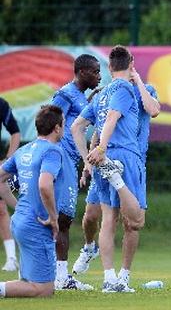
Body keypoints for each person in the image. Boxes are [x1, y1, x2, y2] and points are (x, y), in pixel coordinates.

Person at [71, 45, 146, 293]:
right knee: (135, 220)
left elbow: (76, 127)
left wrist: (88, 159)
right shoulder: (125, 88)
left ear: (110, 67)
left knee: (108, 221)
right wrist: (101, 147)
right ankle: (123, 278)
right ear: (131, 63)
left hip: (104, 160)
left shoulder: (101, 93)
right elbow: (114, 116)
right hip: (124, 154)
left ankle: (108, 278)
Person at [0, 105, 66, 298]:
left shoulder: (23, 150)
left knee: (29, 282)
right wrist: (54, 218)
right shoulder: (52, 151)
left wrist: (19, 206)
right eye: (63, 124)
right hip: (37, 225)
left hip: (20, 222)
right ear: (56, 128)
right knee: (44, 290)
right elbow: (45, 185)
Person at [50, 54, 100, 290]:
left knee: (62, 218)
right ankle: (59, 277)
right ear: (82, 72)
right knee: (62, 219)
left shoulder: (79, 97)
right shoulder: (65, 94)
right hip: (61, 161)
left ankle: (54, 274)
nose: (99, 76)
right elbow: (50, 122)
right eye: (95, 72)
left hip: (69, 160)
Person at [0, 97, 20, 272]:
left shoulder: (1, 104)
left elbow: (15, 132)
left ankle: (12, 258)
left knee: (1, 209)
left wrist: (8, 160)